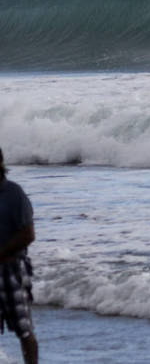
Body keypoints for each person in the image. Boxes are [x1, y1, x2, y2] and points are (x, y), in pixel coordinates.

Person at [0, 149, 37, 364]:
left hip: (12, 268)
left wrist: (2, 252)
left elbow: (28, 234)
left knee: (24, 330)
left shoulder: (14, 194)